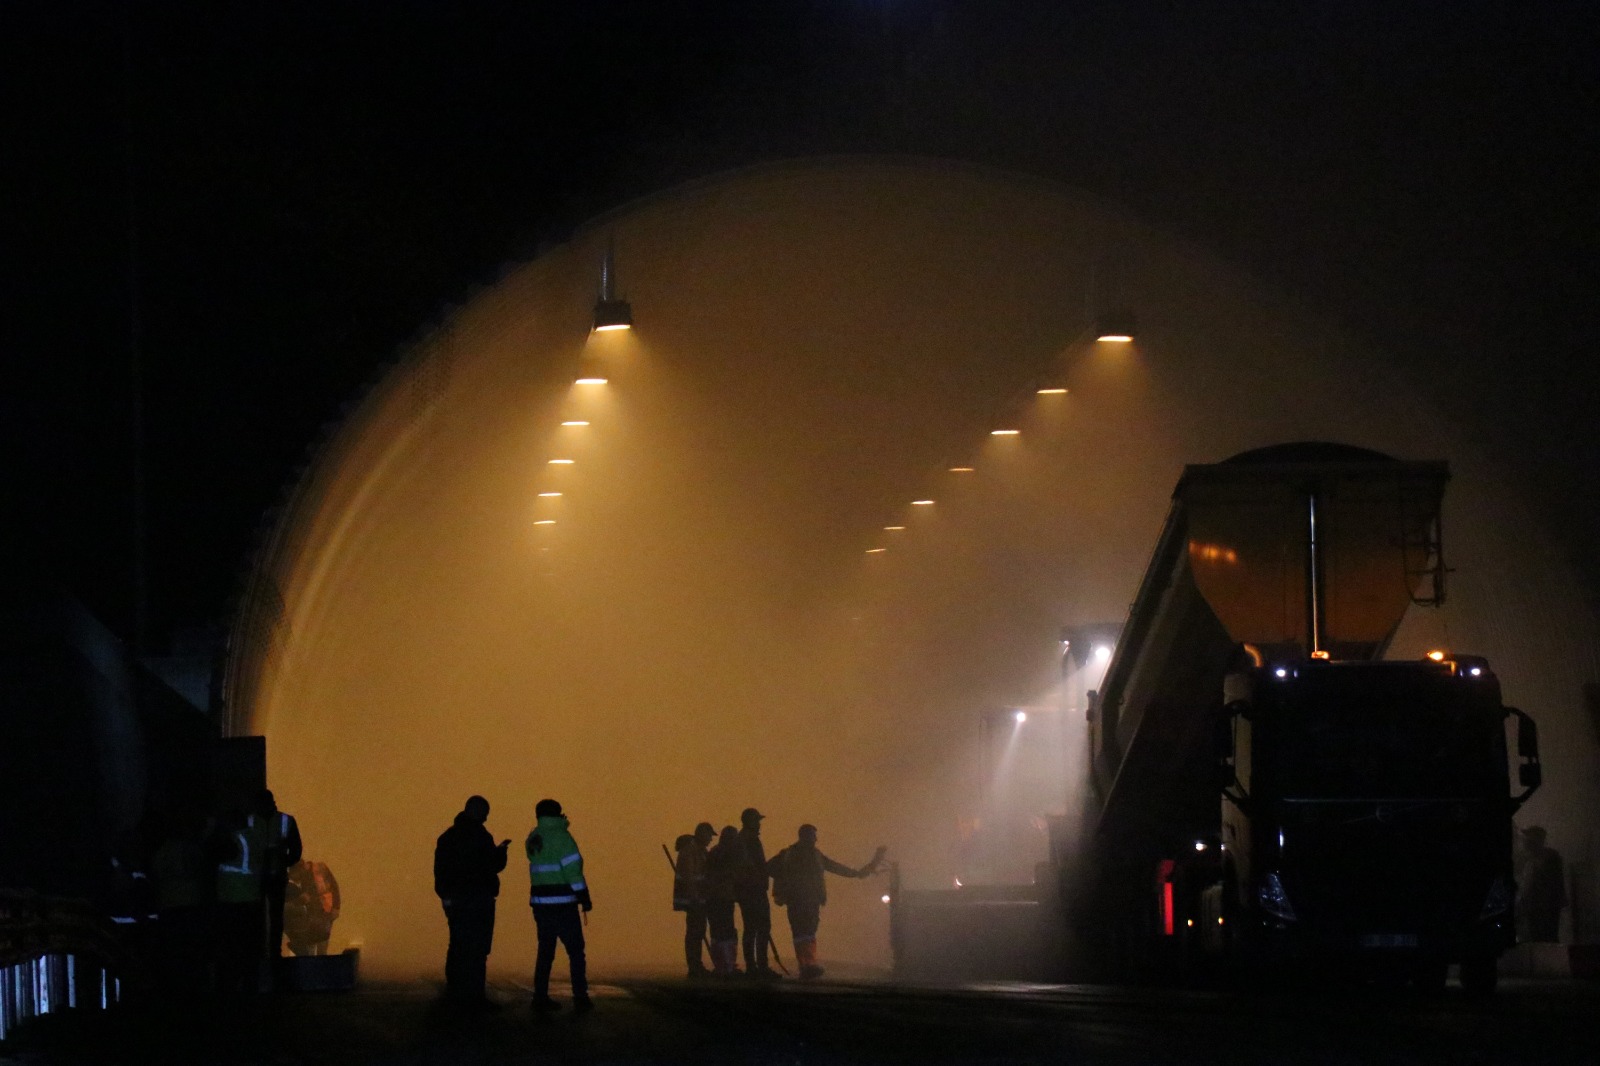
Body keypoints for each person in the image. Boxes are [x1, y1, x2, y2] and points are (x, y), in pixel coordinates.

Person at [768, 824, 886, 980]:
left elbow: (770, 868)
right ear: (806, 836)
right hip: (802, 900)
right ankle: (807, 964)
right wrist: (857, 873)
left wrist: (856, 873)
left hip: (804, 900)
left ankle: (806, 964)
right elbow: (834, 867)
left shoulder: (795, 854)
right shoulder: (797, 855)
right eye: (813, 836)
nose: (816, 839)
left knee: (804, 932)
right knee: (805, 932)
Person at [433, 795, 511, 1007]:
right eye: (485, 814)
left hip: (457, 901)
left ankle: (455, 992)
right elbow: (493, 865)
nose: (486, 818)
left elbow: (440, 872)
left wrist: (446, 897)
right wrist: (501, 852)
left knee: (458, 945)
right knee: (478, 949)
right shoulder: (482, 836)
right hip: (480, 899)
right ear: (480, 813)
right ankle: (475, 995)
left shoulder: (447, 838)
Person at [527, 798, 592, 1013]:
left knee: (545, 951)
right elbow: (573, 871)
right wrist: (583, 896)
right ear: (558, 814)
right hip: (563, 904)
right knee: (575, 951)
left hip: (540, 904)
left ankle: (540, 996)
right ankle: (580, 997)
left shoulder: (534, 837)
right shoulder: (563, 838)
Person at [211, 806, 267, 993]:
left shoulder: (234, 840)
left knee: (233, 946)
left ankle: (232, 985)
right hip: (252, 897)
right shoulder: (255, 837)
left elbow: (216, 855)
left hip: (233, 899)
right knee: (250, 946)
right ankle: (251, 983)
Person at [249, 789, 302, 959]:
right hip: (264, 876)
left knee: (269, 917)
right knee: (270, 917)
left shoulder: (250, 821)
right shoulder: (285, 821)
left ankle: (268, 952)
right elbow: (295, 850)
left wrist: (282, 860)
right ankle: (271, 952)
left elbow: (296, 850)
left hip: (263, 876)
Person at [734, 807, 778, 979]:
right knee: (760, 927)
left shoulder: (744, 839)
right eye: (757, 821)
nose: (759, 824)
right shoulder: (747, 840)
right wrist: (761, 877)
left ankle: (755, 966)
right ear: (750, 821)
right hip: (753, 889)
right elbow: (750, 865)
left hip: (750, 889)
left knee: (753, 928)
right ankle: (758, 966)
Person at [673, 823, 715, 977]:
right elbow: (689, 877)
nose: (711, 839)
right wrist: (695, 897)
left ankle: (696, 965)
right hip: (693, 900)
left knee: (698, 932)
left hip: (699, 898)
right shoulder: (689, 851)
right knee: (694, 933)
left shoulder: (699, 850)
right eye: (709, 835)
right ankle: (694, 966)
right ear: (702, 834)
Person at [704, 825, 742, 976]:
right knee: (723, 932)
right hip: (720, 897)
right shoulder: (723, 854)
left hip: (721, 897)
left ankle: (726, 965)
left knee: (722, 932)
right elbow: (725, 875)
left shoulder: (716, 852)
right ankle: (725, 966)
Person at [1516, 825, 1566, 942]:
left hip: (1544, 908)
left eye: (1528, 838)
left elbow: (1550, 886)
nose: (1525, 841)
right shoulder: (1530, 860)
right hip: (1534, 908)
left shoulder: (1549, 858)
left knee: (1545, 939)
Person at [284, 858, 341, 956]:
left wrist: (336, 907)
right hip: (315, 915)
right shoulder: (304, 876)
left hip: (325, 912)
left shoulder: (319, 869)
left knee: (321, 945)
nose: (295, 879)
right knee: (315, 943)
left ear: (300, 869)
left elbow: (334, 887)